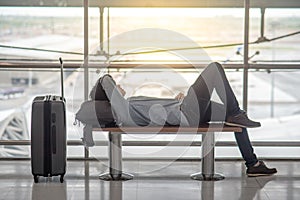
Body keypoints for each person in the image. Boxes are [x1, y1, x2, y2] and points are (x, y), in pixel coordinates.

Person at [98, 62, 277, 177]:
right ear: (111, 99)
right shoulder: (122, 115)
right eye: (116, 88)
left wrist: (178, 101)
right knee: (214, 69)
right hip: (187, 114)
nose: (119, 86)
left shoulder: (129, 103)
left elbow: (160, 111)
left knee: (235, 119)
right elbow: (105, 80)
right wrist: (107, 84)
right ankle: (236, 112)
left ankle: (253, 164)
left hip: (184, 108)